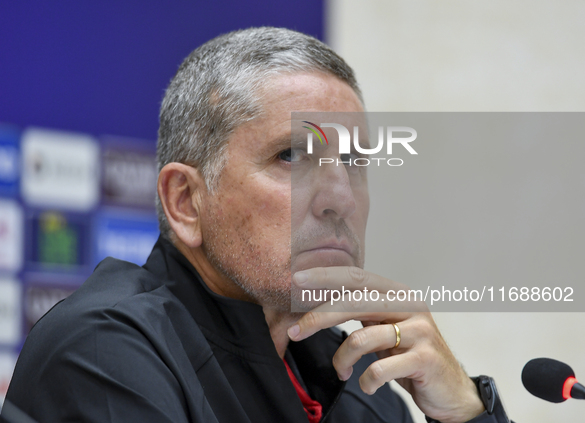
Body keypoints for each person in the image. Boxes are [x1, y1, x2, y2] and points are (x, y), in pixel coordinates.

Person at [1, 27, 511, 423]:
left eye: (356, 163)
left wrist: (466, 412)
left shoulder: (365, 383)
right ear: (186, 202)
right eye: (291, 155)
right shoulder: (105, 349)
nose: (339, 198)